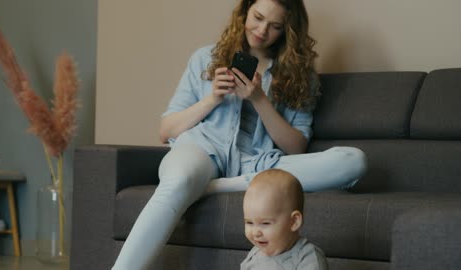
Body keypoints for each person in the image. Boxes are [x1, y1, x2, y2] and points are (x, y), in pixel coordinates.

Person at [112, 0, 367, 269]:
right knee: (179, 180)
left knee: (354, 161)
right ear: (244, 12)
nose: (261, 30)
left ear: (288, 30)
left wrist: (259, 100)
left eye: (275, 26)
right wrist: (212, 99)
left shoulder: (298, 75)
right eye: (257, 17)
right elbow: (166, 131)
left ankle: (219, 186)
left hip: (259, 163)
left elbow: (296, 147)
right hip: (203, 150)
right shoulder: (205, 58)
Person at [241, 168, 328, 270]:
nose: (255, 232)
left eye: (265, 223)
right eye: (249, 222)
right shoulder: (255, 254)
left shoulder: (307, 258)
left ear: (294, 222)